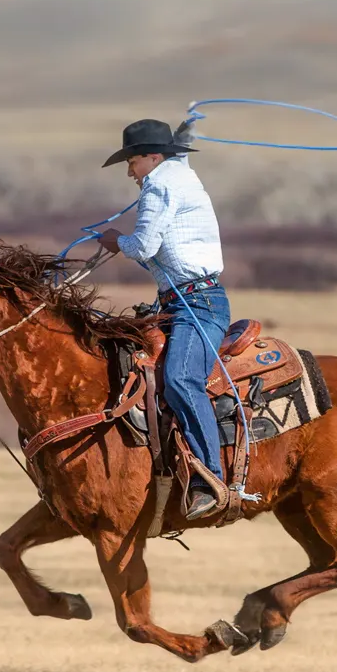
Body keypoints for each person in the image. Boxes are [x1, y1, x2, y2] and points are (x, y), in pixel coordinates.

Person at [97, 118, 230, 520]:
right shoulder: (179, 174)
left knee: (180, 379)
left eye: (133, 161)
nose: (130, 172)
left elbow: (144, 246)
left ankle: (211, 480)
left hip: (197, 305)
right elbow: (180, 160)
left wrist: (114, 242)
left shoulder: (160, 184)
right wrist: (183, 136)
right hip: (182, 301)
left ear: (154, 158)